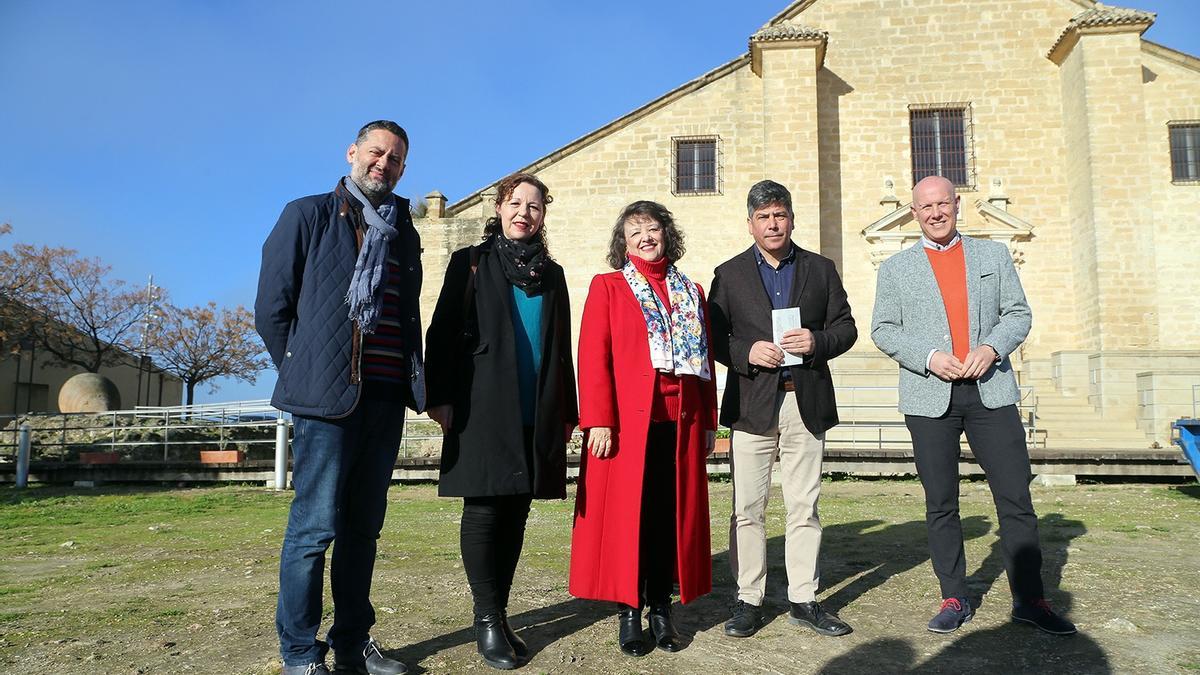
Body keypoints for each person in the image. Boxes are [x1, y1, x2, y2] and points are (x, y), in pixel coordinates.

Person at [870, 175, 1076, 635]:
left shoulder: (993, 255)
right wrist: (928, 357)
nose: (936, 213)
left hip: (991, 390)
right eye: (926, 207)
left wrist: (992, 348)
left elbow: (1018, 314)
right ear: (914, 211)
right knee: (941, 502)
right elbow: (883, 329)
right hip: (930, 395)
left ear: (957, 204)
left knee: (1015, 498)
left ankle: (1030, 599)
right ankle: (955, 596)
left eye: (943, 203)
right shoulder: (896, 269)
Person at [255, 120, 421, 675]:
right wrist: (304, 373)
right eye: (376, 152)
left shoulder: (406, 232)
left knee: (362, 530)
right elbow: (272, 310)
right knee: (313, 528)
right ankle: (300, 653)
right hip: (324, 403)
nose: (384, 164)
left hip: (384, 398)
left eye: (396, 159)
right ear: (352, 152)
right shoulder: (307, 214)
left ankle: (352, 644)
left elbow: (406, 314)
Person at [424, 173, 578, 670]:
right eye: (516, 204)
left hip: (538, 407)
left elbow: (561, 349)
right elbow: (443, 330)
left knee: (517, 512)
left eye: (534, 207)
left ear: (543, 215)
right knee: (486, 508)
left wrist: (568, 411)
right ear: (499, 207)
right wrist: (440, 397)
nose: (524, 214)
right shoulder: (470, 262)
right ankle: (486, 618)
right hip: (481, 404)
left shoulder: (552, 275)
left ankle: (500, 612)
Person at [709, 179, 857, 639]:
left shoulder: (821, 268)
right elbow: (713, 336)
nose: (773, 224)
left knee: (804, 505)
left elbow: (846, 329)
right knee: (748, 507)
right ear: (750, 223)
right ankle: (748, 599)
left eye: (780, 215)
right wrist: (745, 353)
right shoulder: (729, 274)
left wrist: (817, 341)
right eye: (764, 217)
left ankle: (803, 598)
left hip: (804, 402)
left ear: (791, 218)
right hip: (752, 405)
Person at [569, 201, 718, 657]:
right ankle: (628, 611)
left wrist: (710, 421)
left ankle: (660, 608)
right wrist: (597, 418)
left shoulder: (691, 290)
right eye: (635, 232)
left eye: (653, 229)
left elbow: (706, 361)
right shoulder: (610, 287)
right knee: (628, 520)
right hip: (627, 426)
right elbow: (593, 355)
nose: (646, 238)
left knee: (665, 519)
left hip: (680, 422)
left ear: (667, 235)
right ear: (624, 242)